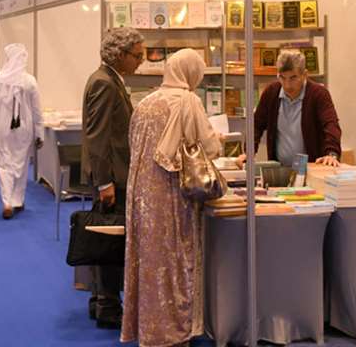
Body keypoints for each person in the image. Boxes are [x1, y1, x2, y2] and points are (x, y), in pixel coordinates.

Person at [121, 48, 222, 347]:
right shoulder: (188, 101)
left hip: (140, 193)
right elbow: (209, 147)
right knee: (176, 262)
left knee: (148, 261)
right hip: (172, 194)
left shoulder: (145, 102)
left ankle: (148, 328)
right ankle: (173, 333)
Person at [81, 27, 145, 329]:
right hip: (112, 178)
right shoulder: (104, 83)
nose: (141, 61)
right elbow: (98, 136)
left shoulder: (108, 79)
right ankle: (107, 305)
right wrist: (104, 182)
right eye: (137, 56)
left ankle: (101, 300)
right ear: (119, 55)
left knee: (105, 238)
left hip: (112, 175)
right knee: (110, 242)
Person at [238, 50, 342, 169]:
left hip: (312, 169)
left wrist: (331, 153)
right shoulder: (271, 93)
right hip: (279, 169)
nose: (287, 85)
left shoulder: (318, 94)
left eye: (293, 78)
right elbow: (256, 125)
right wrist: (249, 152)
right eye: (282, 78)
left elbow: (331, 124)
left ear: (304, 75)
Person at [0, 44, 44, 220]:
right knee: (21, 163)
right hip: (24, 130)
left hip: (1, 129)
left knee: (3, 164)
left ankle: (7, 202)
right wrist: (39, 132)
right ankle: (17, 200)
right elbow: (37, 110)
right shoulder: (30, 81)